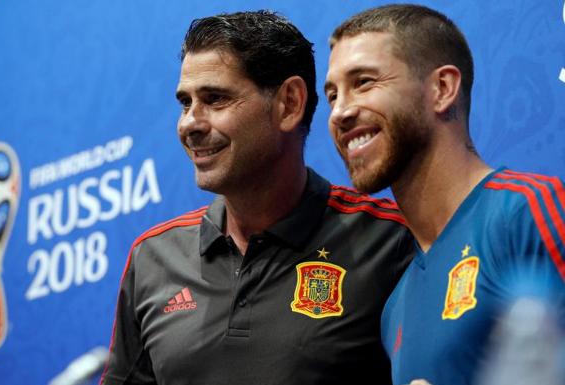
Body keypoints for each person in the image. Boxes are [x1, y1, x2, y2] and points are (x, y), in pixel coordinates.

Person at [100, 10, 414, 385]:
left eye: (215, 99)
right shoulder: (152, 259)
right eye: (185, 103)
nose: (189, 124)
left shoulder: (391, 241)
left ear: (289, 104)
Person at [324, 4, 565, 385]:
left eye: (364, 82)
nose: (339, 112)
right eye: (333, 94)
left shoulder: (528, 211)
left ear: (442, 89)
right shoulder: (395, 307)